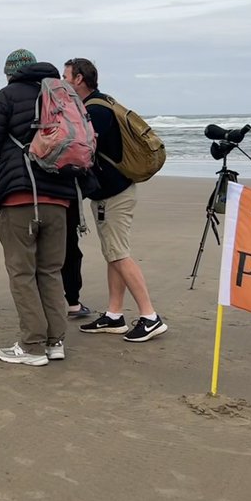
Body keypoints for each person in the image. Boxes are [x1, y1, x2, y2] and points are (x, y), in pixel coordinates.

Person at [0, 49, 78, 367]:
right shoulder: (61, 94)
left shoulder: (8, 95)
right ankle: (55, 341)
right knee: (50, 271)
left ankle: (32, 345)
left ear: (11, 73)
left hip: (21, 195)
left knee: (22, 272)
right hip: (59, 197)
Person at [62, 57, 168, 342]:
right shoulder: (101, 103)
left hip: (114, 194)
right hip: (114, 191)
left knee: (118, 254)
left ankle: (150, 316)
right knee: (113, 253)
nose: (62, 82)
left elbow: (81, 150)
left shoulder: (94, 111)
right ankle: (114, 314)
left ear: (79, 79)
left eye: (66, 76)